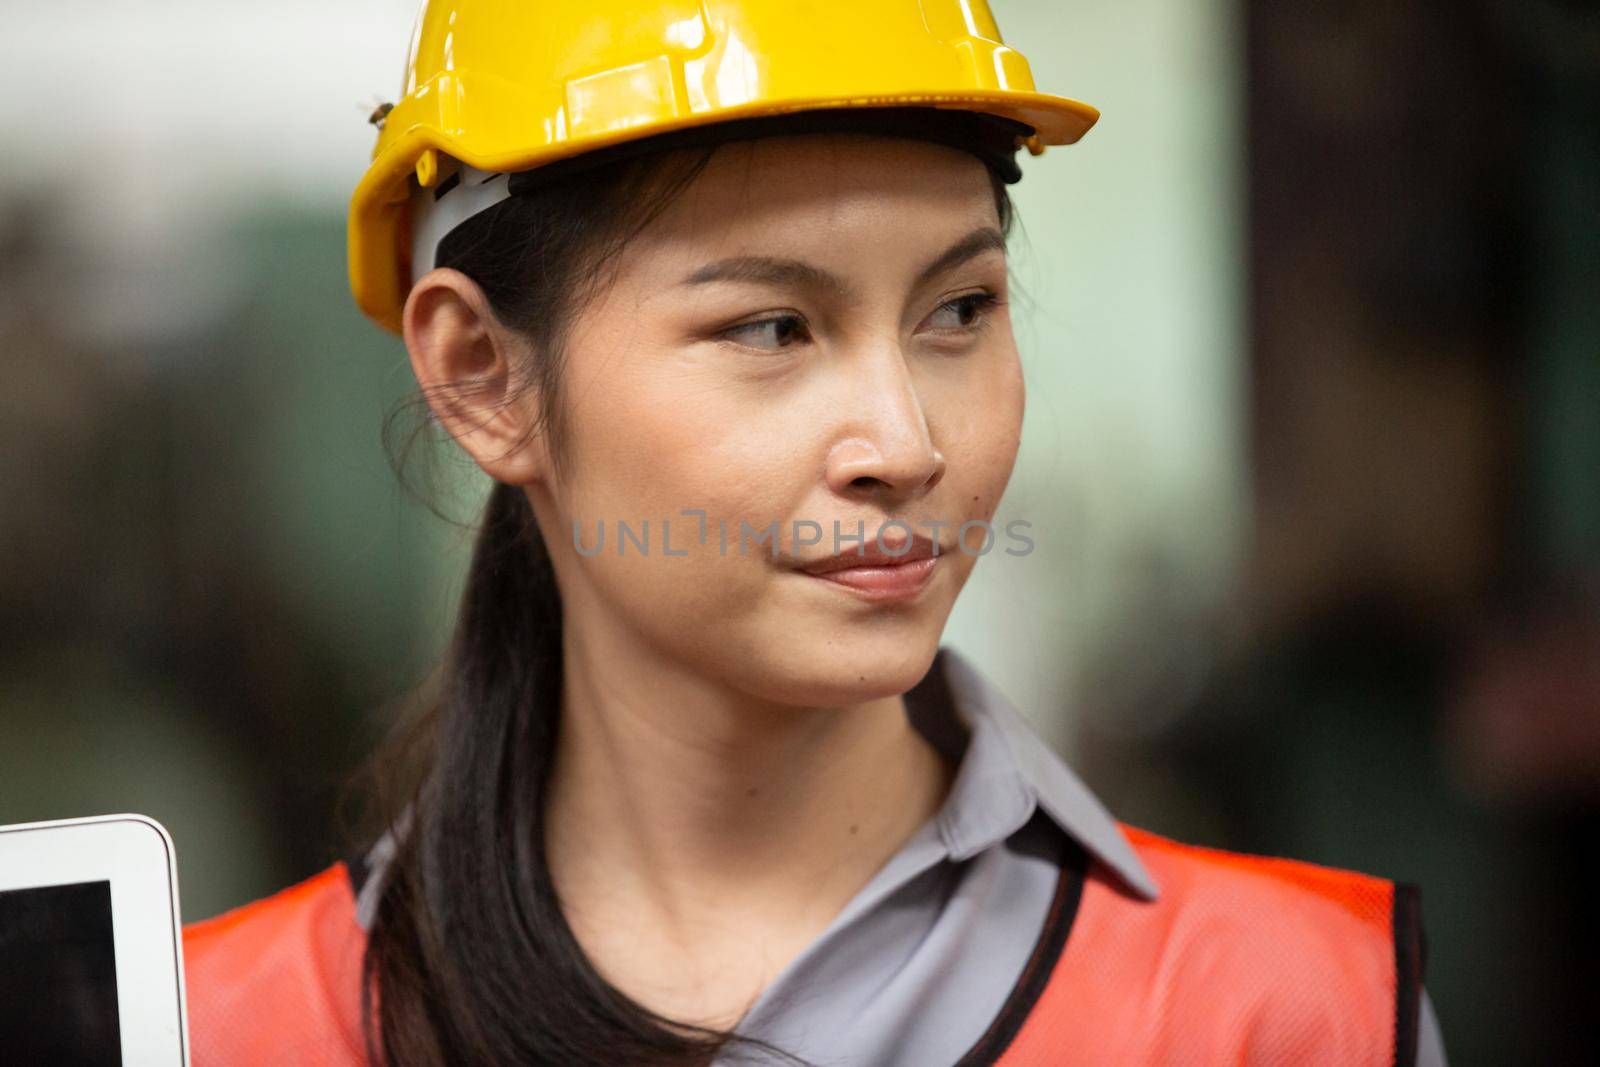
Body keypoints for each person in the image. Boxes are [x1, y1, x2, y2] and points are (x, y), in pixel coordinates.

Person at [181, 2, 1448, 1064]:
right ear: (482, 376)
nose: (905, 445)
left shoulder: (1283, 1008)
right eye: (772, 328)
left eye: (958, 309)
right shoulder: (226, 1029)